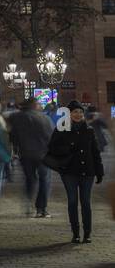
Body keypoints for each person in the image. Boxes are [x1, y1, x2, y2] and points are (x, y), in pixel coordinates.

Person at [47, 101, 104, 243]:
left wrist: (99, 171)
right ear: (69, 114)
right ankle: (76, 233)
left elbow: (95, 152)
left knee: (85, 202)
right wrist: (67, 149)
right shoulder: (61, 129)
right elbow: (52, 149)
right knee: (72, 201)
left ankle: (87, 233)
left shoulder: (89, 130)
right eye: (75, 112)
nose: (78, 114)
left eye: (80, 112)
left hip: (87, 171)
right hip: (69, 172)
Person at [11, 97, 54, 217]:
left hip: (25, 154)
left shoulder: (17, 118)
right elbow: (51, 137)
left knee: (30, 179)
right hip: (43, 154)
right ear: (35, 105)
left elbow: (13, 136)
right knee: (45, 180)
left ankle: (28, 204)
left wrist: (16, 149)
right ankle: (41, 209)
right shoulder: (44, 118)